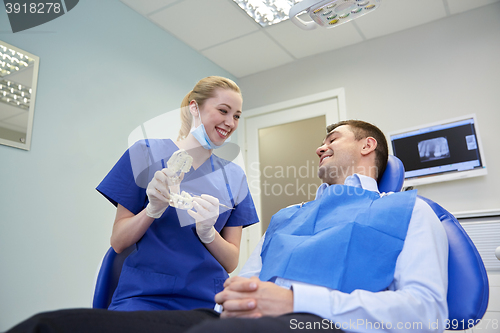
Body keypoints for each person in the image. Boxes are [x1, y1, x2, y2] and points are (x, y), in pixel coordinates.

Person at [6, 120, 448, 333]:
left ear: (368, 146)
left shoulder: (409, 211)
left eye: (333, 139)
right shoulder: (288, 218)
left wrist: (295, 300)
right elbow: (242, 282)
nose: (320, 147)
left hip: (317, 324)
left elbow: (426, 313)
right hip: (227, 320)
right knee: (52, 327)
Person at [95, 76, 259, 311]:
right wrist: (151, 210)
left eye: (236, 116)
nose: (230, 122)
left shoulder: (234, 177)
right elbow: (119, 242)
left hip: (205, 301)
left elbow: (231, 261)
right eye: (223, 111)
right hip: (143, 297)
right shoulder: (145, 153)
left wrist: (208, 232)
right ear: (194, 108)